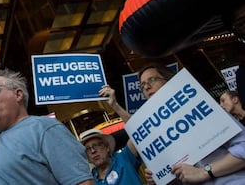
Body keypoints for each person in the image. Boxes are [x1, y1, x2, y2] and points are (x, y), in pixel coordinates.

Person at [100, 62, 245, 184]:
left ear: (168, 80)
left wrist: (204, 171)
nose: (146, 87)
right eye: (142, 85)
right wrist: (162, 177)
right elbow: (137, 128)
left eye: (152, 80)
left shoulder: (202, 108)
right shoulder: (160, 132)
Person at [79, 128, 144, 185]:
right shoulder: (90, 181)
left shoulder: (124, 157)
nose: (93, 151)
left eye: (96, 145)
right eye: (87, 149)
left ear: (107, 147)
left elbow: (138, 128)